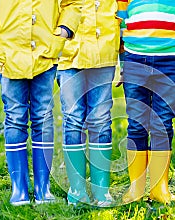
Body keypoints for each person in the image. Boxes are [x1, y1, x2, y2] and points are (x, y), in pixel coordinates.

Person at [0, 0, 82, 205]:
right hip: (8, 52)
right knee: (14, 117)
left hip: (45, 51)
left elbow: (72, 3)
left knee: (44, 117)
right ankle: (19, 188)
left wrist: (63, 32)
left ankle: (43, 188)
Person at [117, 0, 175, 204]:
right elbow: (121, 21)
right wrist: (122, 61)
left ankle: (159, 188)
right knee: (136, 124)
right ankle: (136, 188)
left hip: (171, 61)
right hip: (135, 59)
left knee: (162, 124)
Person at [57, 0, 120, 207]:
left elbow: (124, 11)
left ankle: (102, 190)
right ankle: (77, 188)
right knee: (73, 117)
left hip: (104, 51)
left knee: (101, 118)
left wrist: (123, 51)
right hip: (68, 53)